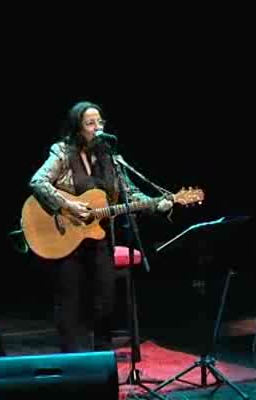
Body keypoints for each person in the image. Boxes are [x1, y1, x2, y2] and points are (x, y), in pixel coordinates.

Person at [29, 100, 173, 352]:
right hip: (67, 239)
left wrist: (156, 204)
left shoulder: (110, 157)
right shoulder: (62, 152)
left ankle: (102, 359)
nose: (97, 128)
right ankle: (74, 361)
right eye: (90, 123)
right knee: (71, 301)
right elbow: (38, 182)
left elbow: (129, 193)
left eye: (100, 122)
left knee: (105, 300)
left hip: (99, 238)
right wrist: (69, 205)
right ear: (77, 127)